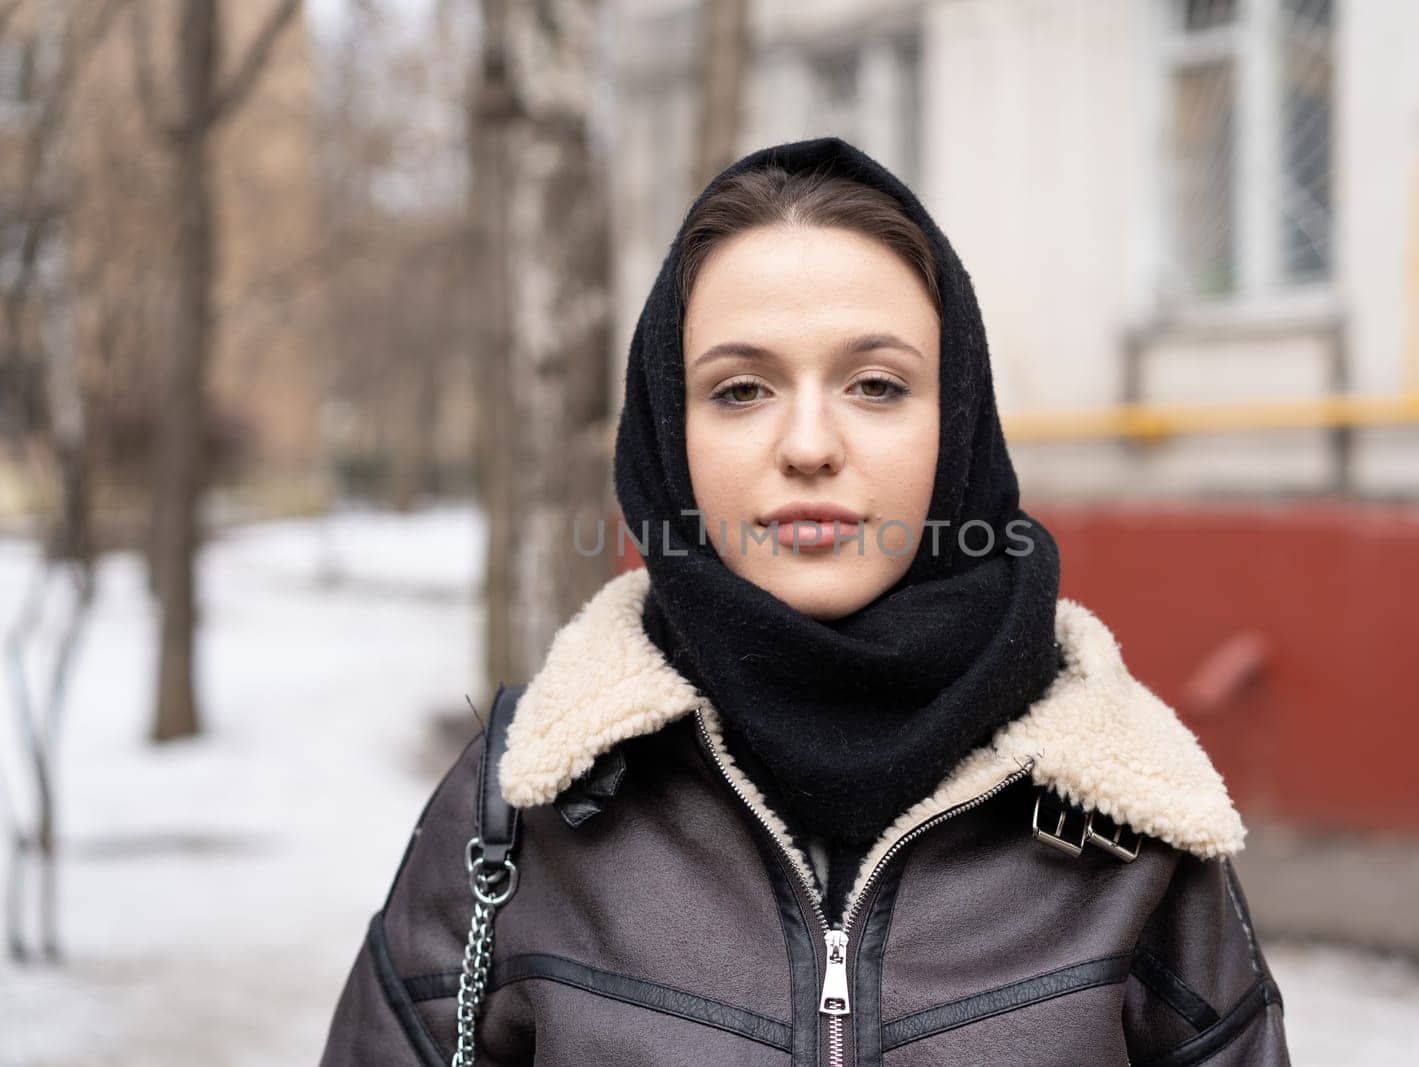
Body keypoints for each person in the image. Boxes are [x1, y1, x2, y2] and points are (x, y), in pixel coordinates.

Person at [319, 136, 1290, 1066]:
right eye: (741, 390)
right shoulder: (526, 798)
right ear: (669, 434)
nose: (810, 444)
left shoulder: (1130, 811)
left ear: (956, 418)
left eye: (874, 384)